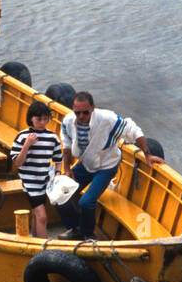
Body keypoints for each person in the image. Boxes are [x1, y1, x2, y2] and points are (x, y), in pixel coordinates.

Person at [57, 92, 164, 240]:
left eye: (85, 112)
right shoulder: (68, 121)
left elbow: (133, 130)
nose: (81, 116)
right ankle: (76, 228)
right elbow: (67, 146)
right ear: (73, 110)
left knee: (86, 202)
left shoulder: (107, 119)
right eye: (77, 113)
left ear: (93, 108)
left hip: (106, 166)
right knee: (59, 196)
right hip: (86, 164)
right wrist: (67, 170)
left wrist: (147, 153)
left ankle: (87, 235)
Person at [10, 102, 64, 239]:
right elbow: (17, 162)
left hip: (44, 181)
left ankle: (35, 239)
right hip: (29, 182)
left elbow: (58, 159)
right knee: (42, 216)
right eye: (38, 119)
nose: (42, 122)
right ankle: (43, 248)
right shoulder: (22, 136)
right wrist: (27, 145)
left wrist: (58, 173)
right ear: (31, 118)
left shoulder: (52, 137)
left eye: (45, 119)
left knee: (36, 213)